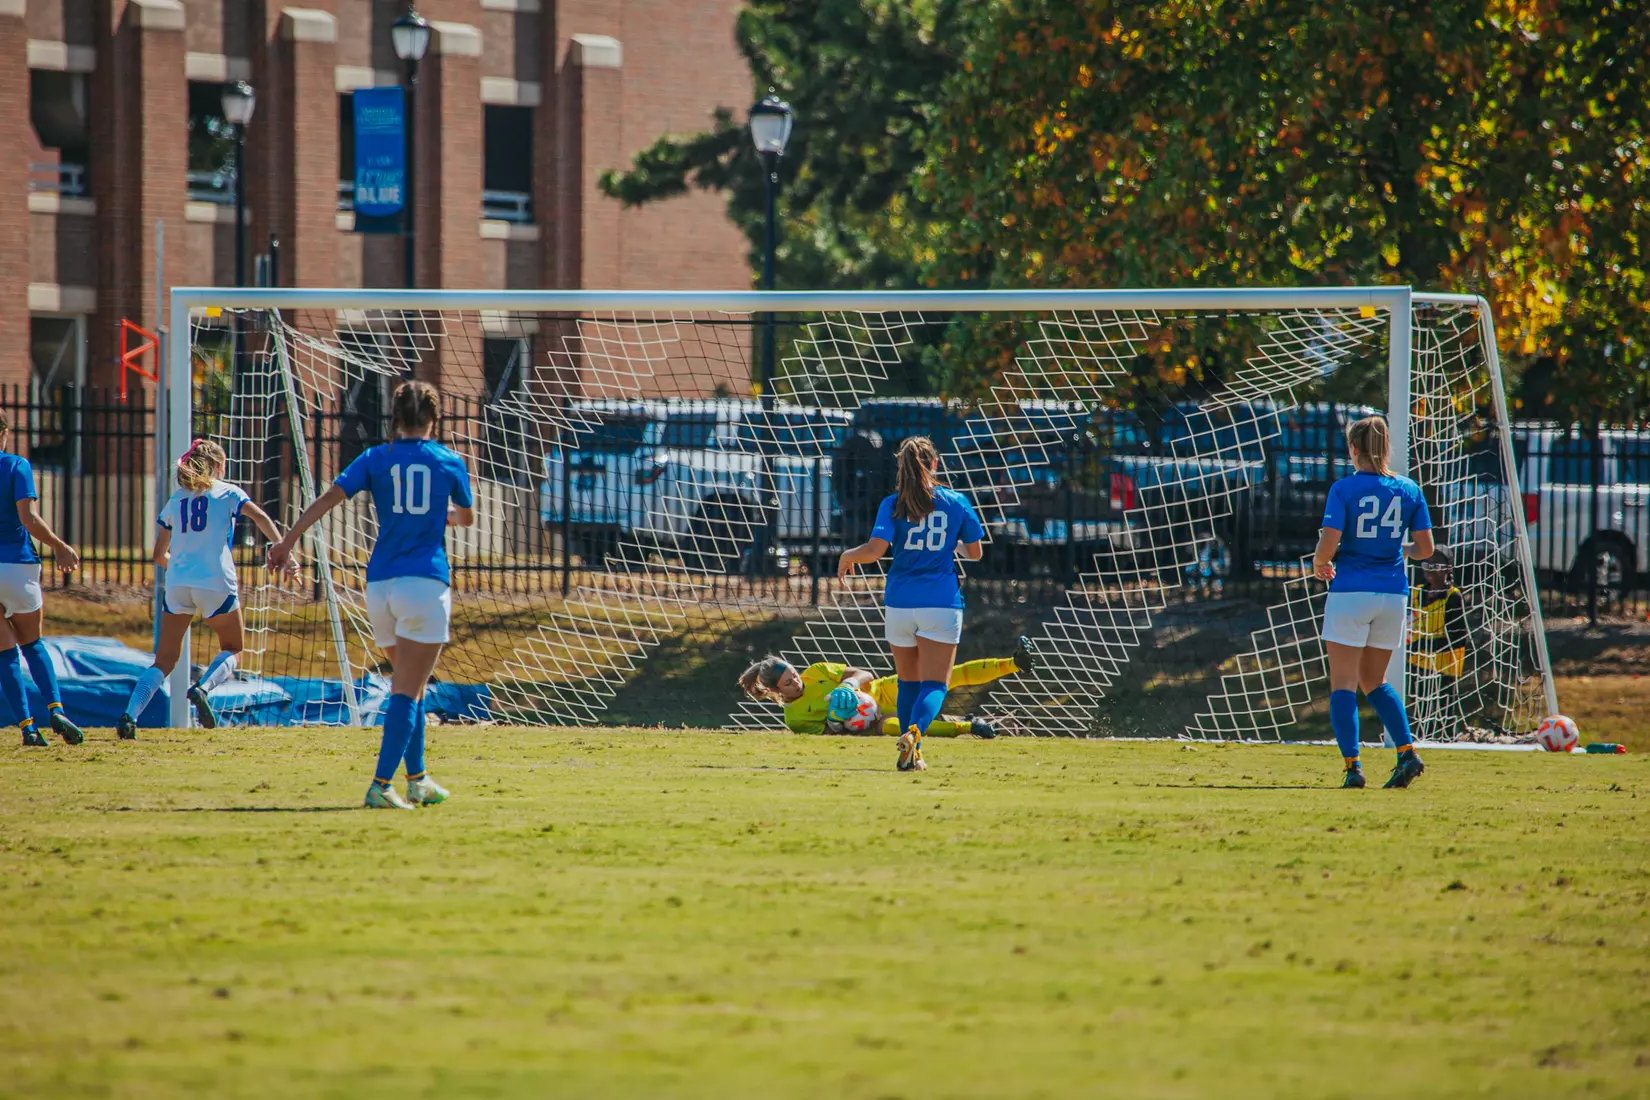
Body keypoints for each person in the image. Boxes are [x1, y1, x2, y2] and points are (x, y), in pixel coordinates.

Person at [268, 381, 473, 810]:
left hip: (379, 587)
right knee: (407, 690)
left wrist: (288, 541)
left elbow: (328, 498)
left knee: (410, 687)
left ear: (395, 417)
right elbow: (465, 517)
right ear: (434, 419)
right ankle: (381, 784)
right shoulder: (449, 461)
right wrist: (440, 514)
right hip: (424, 584)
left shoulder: (376, 458)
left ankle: (417, 779)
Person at [117, 441, 292, 739]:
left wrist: (183, 566)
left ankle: (129, 717)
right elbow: (261, 517)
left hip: (178, 583)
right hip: (215, 581)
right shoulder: (228, 492)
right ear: (218, 467)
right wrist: (284, 552)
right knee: (233, 647)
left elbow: (159, 554)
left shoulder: (176, 499)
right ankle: (202, 689)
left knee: (164, 660)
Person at [837, 435, 986, 772]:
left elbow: (875, 551)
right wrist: (953, 546)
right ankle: (914, 738)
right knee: (935, 685)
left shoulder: (892, 503)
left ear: (900, 467)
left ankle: (910, 754)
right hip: (941, 604)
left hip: (900, 604)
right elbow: (975, 552)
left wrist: (848, 555)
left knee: (908, 683)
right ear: (935, 464)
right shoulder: (956, 501)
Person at [1312, 414, 1435, 789]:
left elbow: (1329, 542)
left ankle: (1353, 768)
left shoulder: (1344, 489)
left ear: (1353, 449)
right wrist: (1397, 545)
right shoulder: (1410, 489)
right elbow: (1425, 550)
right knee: (1375, 681)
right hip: (1393, 596)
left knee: (1344, 684)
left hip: (1351, 592)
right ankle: (1406, 753)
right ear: (1386, 449)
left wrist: (1320, 563)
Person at [738, 636, 1038, 737]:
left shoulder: (816, 671)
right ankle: (970, 728)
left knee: (942, 675)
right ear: (778, 692)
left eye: (794, 673)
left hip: (881, 690)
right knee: (903, 728)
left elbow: (863, 672)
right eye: (789, 682)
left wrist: (850, 685)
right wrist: (837, 719)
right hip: (872, 722)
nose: (796, 680)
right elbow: (830, 736)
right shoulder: (795, 719)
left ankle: (1014, 663)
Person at [0, 412, 84, 746]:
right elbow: (28, 517)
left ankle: (27, 728)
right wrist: (60, 548)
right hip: (17, 566)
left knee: (4, 652)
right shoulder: (15, 465)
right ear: (4, 432)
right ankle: (56, 708)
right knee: (32, 644)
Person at [1408, 547, 1470, 737]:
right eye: (1426, 564)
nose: (1430, 569)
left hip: (1445, 664)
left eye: (1436, 565)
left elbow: (1460, 637)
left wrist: (1427, 645)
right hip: (1417, 661)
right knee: (1417, 707)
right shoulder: (1416, 593)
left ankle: (1446, 738)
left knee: (1444, 709)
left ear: (1448, 569)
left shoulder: (1453, 597)